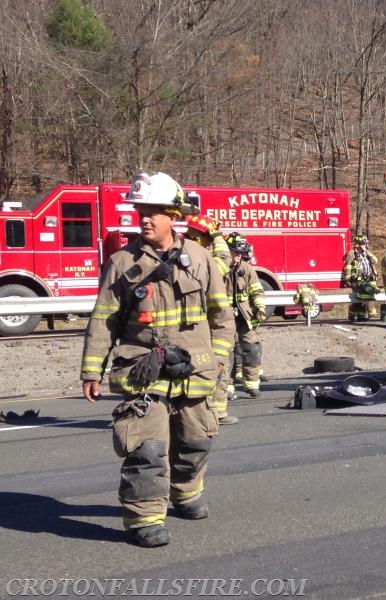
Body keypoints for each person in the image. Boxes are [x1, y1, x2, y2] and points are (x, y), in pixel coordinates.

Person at [80, 172, 234, 548]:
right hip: (142, 370)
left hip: (196, 370)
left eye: (154, 211)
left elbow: (222, 317)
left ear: (173, 216)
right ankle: (144, 516)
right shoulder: (121, 263)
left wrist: (218, 361)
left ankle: (184, 493)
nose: (145, 218)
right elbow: (104, 320)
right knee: (146, 448)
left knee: (197, 441)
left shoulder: (200, 258)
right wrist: (91, 370)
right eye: (140, 211)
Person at [183, 214, 239, 425]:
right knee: (214, 368)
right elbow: (224, 261)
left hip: (201, 323)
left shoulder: (184, 254)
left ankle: (215, 412)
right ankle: (210, 415)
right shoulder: (199, 261)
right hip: (206, 325)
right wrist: (216, 235)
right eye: (207, 239)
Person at [225, 232, 268, 398]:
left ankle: (251, 384)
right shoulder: (219, 269)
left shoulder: (247, 269)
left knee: (252, 347)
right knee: (226, 352)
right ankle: (227, 387)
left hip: (244, 317)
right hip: (224, 318)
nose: (237, 256)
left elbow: (257, 290)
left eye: (240, 253)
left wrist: (260, 308)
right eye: (234, 252)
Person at [341, 233, 380, 322]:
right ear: (359, 244)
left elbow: (375, 260)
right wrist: (347, 280)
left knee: (364, 298)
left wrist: (367, 252)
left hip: (368, 279)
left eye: (366, 243)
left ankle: (361, 316)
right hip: (357, 280)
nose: (366, 245)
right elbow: (348, 266)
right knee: (358, 299)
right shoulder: (352, 253)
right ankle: (352, 315)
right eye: (364, 243)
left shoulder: (366, 253)